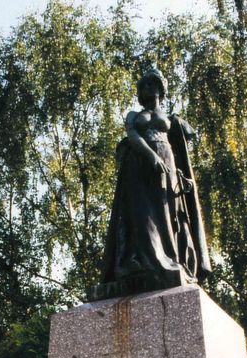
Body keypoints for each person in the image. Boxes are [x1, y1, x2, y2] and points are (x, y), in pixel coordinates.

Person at [89, 67, 211, 301]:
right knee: (142, 215)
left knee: (167, 216)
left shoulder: (171, 119)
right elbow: (133, 136)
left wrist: (182, 175)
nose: (148, 89)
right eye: (144, 85)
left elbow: (181, 148)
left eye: (152, 84)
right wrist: (150, 156)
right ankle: (146, 262)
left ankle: (168, 260)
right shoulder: (134, 115)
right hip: (139, 166)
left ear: (160, 88)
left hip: (168, 166)